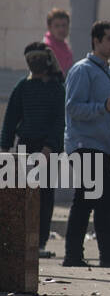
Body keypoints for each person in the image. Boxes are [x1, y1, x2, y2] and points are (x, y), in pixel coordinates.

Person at [62, 20, 110, 269]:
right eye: (109, 38)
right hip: (84, 144)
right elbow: (73, 108)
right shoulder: (82, 70)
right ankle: (101, 256)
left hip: (102, 145)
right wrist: (102, 107)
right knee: (102, 197)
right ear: (96, 40)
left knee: (89, 198)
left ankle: (80, 255)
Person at [2, 42, 66, 257]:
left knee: (45, 198)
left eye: (38, 59)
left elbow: (59, 121)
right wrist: (4, 147)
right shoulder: (23, 87)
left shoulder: (57, 88)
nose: (34, 63)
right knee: (22, 197)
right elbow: (11, 119)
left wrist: (50, 148)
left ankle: (39, 243)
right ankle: (21, 241)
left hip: (48, 151)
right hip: (25, 148)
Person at [43, 8, 75, 76]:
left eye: (64, 25)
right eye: (57, 26)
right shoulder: (46, 48)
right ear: (49, 27)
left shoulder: (65, 47)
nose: (61, 29)